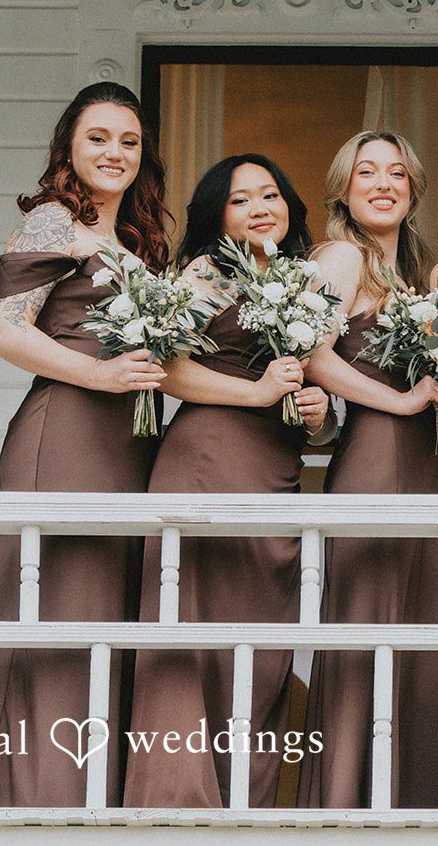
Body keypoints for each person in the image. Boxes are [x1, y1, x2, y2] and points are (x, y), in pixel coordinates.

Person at [0, 81, 170, 806]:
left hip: (125, 446)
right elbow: (4, 330)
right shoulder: (52, 221)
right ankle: (18, 798)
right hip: (66, 432)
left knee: (98, 623)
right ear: (68, 149)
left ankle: (85, 798)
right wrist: (102, 374)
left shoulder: (133, 242)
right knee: (50, 618)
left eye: (129, 141)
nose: (115, 152)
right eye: (98, 138)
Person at [123, 154, 332, 808]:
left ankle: (251, 807)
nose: (260, 206)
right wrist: (259, 390)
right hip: (206, 462)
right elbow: (169, 371)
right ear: (218, 214)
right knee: (197, 641)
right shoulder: (209, 272)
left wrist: (319, 415)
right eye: (241, 199)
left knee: (262, 655)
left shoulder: (305, 281)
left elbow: (317, 393)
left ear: (292, 206)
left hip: (275, 475)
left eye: (270, 193)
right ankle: (180, 805)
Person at [299, 131, 438, 808]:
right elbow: (311, 353)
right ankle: (344, 805)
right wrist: (399, 398)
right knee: (368, 638)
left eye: (397, 172)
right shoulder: (341, 258)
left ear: (414, 189)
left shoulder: (423, 273)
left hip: (427, 466)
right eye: (367, 172)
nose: (383, 182)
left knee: (421, 649)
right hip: (374, 461)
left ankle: (409, 805)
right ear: (343, 187)